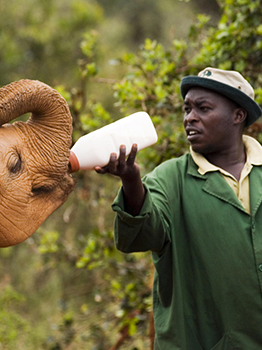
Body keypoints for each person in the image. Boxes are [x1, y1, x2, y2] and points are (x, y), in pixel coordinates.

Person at [96, 67, 262, 349]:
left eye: (203, 108)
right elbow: (142, 233)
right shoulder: (170, 178)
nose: (190, 118)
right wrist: (131, 181)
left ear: (238, 116)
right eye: (187, 109)